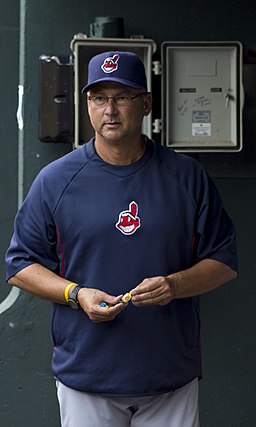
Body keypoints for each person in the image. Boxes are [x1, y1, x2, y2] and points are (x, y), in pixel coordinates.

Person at [6, 51, 238, 427]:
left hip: (169, 375)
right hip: (87, 375)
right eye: (99, 98)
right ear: (87, 105)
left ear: (146, 103)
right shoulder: (55, 180)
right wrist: (76, 294)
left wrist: (174, 285)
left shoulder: (186, 176)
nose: (109, 109)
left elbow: (224, 261)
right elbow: (19, 265)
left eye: (123, 97)